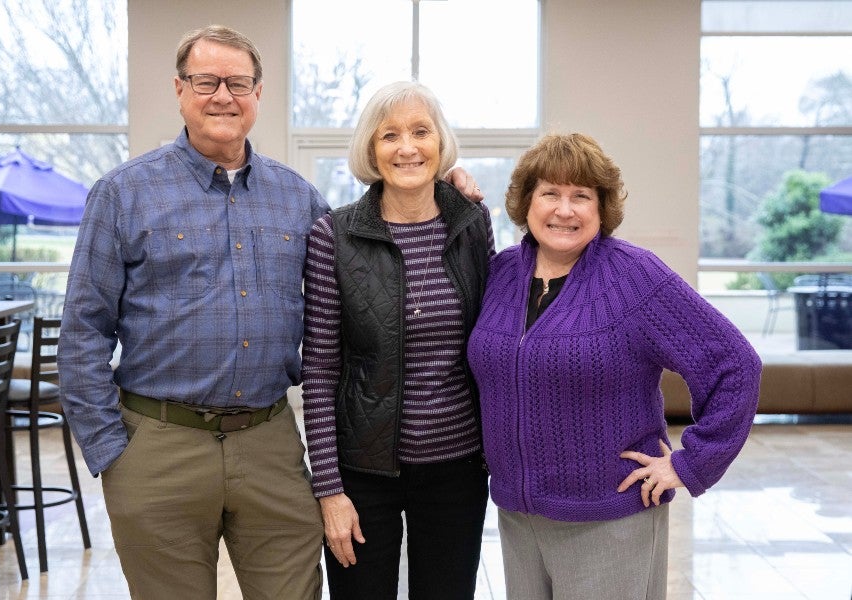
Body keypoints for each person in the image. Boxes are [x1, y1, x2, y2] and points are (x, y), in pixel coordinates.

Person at [57, 25, 481, 600]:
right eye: (206, 81)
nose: (223, 95)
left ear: (259, 93)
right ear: (180, 89)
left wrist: (449, 187)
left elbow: (378, 246)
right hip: (159, 443)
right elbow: (83, 331)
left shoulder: (299, 200)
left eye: (238, 82)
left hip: (269, 442)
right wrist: (112, 453)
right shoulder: (123, 194)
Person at [466, 132, 762, 600]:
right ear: (526, 203)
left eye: (581, 196)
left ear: (601, 209)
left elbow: (735, 365)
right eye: (550, 193)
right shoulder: (502, 274)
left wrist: (688, 464)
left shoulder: (633, 276)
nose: (565, 210)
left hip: (608, 517)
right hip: (519, 516)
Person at [301, 81, 495, 600]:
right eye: (390, 135)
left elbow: (491, 338)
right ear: (371, 150)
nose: (407, 147)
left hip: (457, 468)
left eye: (420, 132)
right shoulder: (333, 236)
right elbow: (319, 370)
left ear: (440, 143)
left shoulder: (473, 224)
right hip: (362, 471)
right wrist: (329, 490)